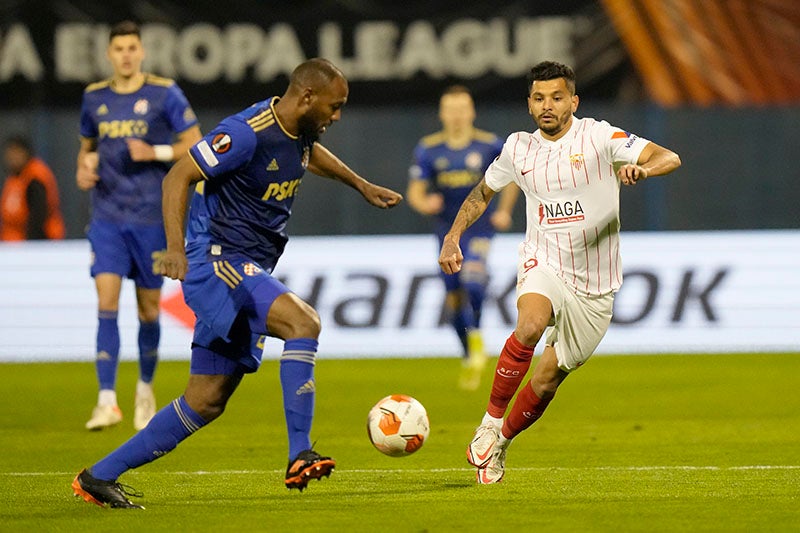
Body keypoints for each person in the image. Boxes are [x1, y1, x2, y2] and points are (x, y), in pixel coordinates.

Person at [72, 57, 403, 508]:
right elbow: (178, 176)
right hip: (218, 261)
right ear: (306, 97)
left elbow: (307, 154)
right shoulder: (245, 132)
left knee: (205, 400)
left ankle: (97, 476)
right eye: (334, 106)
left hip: (247, 264)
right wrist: (173, 248)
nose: (337, 116)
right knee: (303, 324)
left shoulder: (301, 131)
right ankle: (299, 454)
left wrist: (360, 185)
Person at [438, 61, 681, 484]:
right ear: (529, 104)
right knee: (530, 324)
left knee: (548, 379)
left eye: (556, 97)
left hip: (596, 285)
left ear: (574, 101)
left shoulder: (601, 137)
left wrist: (643, 168)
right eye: (538, 98)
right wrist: (453, 236)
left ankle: (501, 445)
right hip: (543, 261)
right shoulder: (517, 148)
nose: (547, 106)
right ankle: (490, 422)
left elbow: (668, 157)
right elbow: (483, 192)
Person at [76, 21, 202, 432]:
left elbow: (195, 144)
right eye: (119, 48)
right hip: (109, 218)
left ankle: (144, 388)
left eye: (132, 47)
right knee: (106, 304)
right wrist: (84, 169)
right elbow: (87, 150)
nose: (126, 55)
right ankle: (106, 400)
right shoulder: (94, 98)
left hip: (152, 218)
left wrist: (156, 151)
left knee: (149, 311)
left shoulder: (164, 93)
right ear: (109, 54)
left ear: (141, 52)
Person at [407, 85, 519, 391]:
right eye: (450, 110)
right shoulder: (428, 149)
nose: (456, 116)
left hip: (479, 229)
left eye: (462, 109)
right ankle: (469, 352)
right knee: (454, 297)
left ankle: (479, 336)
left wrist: (504, 211)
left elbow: (511, 179)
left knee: (472, 279)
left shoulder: (489, 145)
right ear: (442, 114)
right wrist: (424, 203)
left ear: (471, 112)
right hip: (446, 233)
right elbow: (415, 191)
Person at [1, 136, 65, 241]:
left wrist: (32, 245)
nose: (12, 158)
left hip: (36, 243)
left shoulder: (35, 178)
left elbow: (38, 216)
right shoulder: (14, 177)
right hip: (13, 244)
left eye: (16, 153)